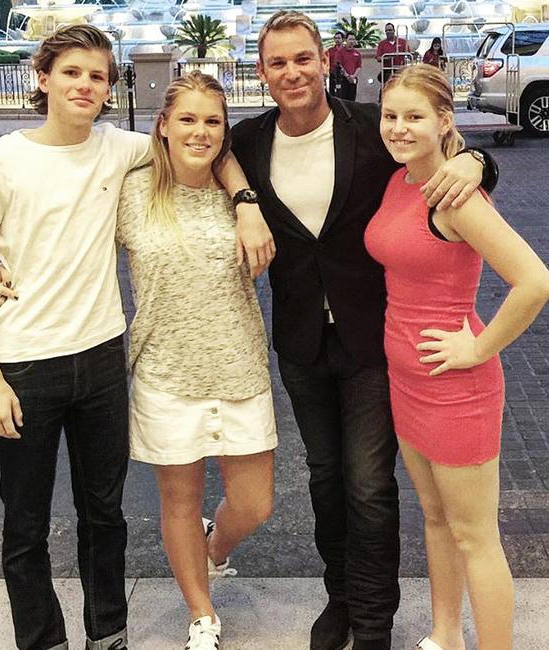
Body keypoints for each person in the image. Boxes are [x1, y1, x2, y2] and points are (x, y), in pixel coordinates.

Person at [0, 25, 272, 650]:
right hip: (23, 362)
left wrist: (244, 196)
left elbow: (204, 137)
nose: (85, 85)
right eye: (72, 72)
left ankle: (109, 634)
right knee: (25, 523)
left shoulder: (117, 149)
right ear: (41, 79)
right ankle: (43, 639)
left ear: (108, 89)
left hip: (101, 356)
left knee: (104, 515)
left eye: (97, 76)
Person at [231, 11, 498, 650]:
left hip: (374, 338)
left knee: (370, 485)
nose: (292, 72)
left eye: (303, 58)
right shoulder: (248, 141)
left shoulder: (373, 132)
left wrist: (480, 163)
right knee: (326, 478)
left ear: (325, 62)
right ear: (262, 72)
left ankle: (374, 621)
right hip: (300, 341)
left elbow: (435, 157)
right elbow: (192, 156)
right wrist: (243, 202)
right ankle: (341, 598)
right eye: (277, 62)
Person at [365, 63, 549, 650]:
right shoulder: (403, 181)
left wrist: (478, 346)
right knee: (436, 518)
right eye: (390, 116)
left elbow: (534, 281)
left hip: (455, 388)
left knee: (476, 536)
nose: (398, 128)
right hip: (406, 380)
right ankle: (444, 636)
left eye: (414, 117)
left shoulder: (455, 195)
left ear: (444, 121)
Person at [117, 71, 276, 650]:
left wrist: (246, 200)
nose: (200, 131)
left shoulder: (243, 192)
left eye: (213, 121)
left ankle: (214, 550)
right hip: (164, 372)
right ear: (162, 126)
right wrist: (7, 268)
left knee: (255, 503)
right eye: (187, 118)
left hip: (239, 368)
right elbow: (69, 238)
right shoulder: (131, 190)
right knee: (178, 502)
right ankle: (201, 613)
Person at [376, 23, 411, 87]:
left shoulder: (403, 42)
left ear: (394, 30)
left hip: (400, 69)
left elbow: (409, 55)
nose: (388, 32)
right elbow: (378, 58)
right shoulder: (382, 44)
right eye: (386, 31)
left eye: (390, 30)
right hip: (388, 70)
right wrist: (388, 57)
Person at [335, 32, 362, 101]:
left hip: (353, 79)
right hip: (343, 79)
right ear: (346, 40)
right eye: (350, 39)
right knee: (343, 99)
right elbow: (339, 65)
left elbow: (359, 66)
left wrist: (353, 76)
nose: (351, 41)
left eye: (353, 39)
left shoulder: (357, 53)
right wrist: (347, 76)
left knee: (352, 99)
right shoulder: (340, 52)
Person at [326, 31, 345, 95]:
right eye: (336, 38)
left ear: (342, 39)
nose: (337, 40)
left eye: (339, 38)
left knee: (343, 92)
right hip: (332, 75)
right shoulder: (330, 50)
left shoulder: (346, 50)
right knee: (332, 92)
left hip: (343, 75)